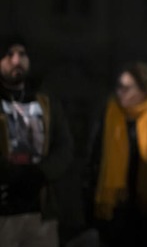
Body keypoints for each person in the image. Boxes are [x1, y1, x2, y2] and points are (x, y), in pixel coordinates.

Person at [90, 61, 147, 247]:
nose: (120, 92)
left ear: (144, 90)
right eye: (119, 87)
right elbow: (96, 157)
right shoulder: (111, 115)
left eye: (127, 88)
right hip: (116, 209)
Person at [0, 34, 73, 247]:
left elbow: (64, 146)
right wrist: (13, 175)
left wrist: (41, 173)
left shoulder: (45, 101)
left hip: (41, 213)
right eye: (9, 54)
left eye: (22, 54)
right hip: (4, 212)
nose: (16, 60)